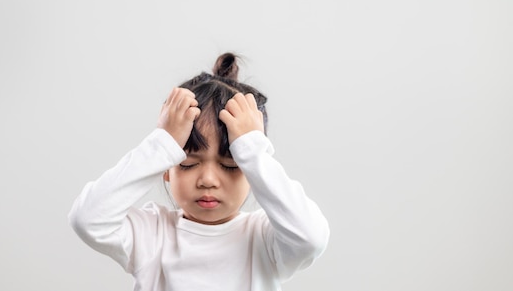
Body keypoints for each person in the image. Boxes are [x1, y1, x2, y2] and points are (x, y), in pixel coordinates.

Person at [68, 52, 330, 291]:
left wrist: (253, 151)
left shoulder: (263, 238)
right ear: (166, 168)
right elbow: (88, 219)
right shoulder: (152, 234)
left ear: (252, 174)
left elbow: (311, 237)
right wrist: (162, 144)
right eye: (189, 163)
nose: (207, 180)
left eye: (229, 166)